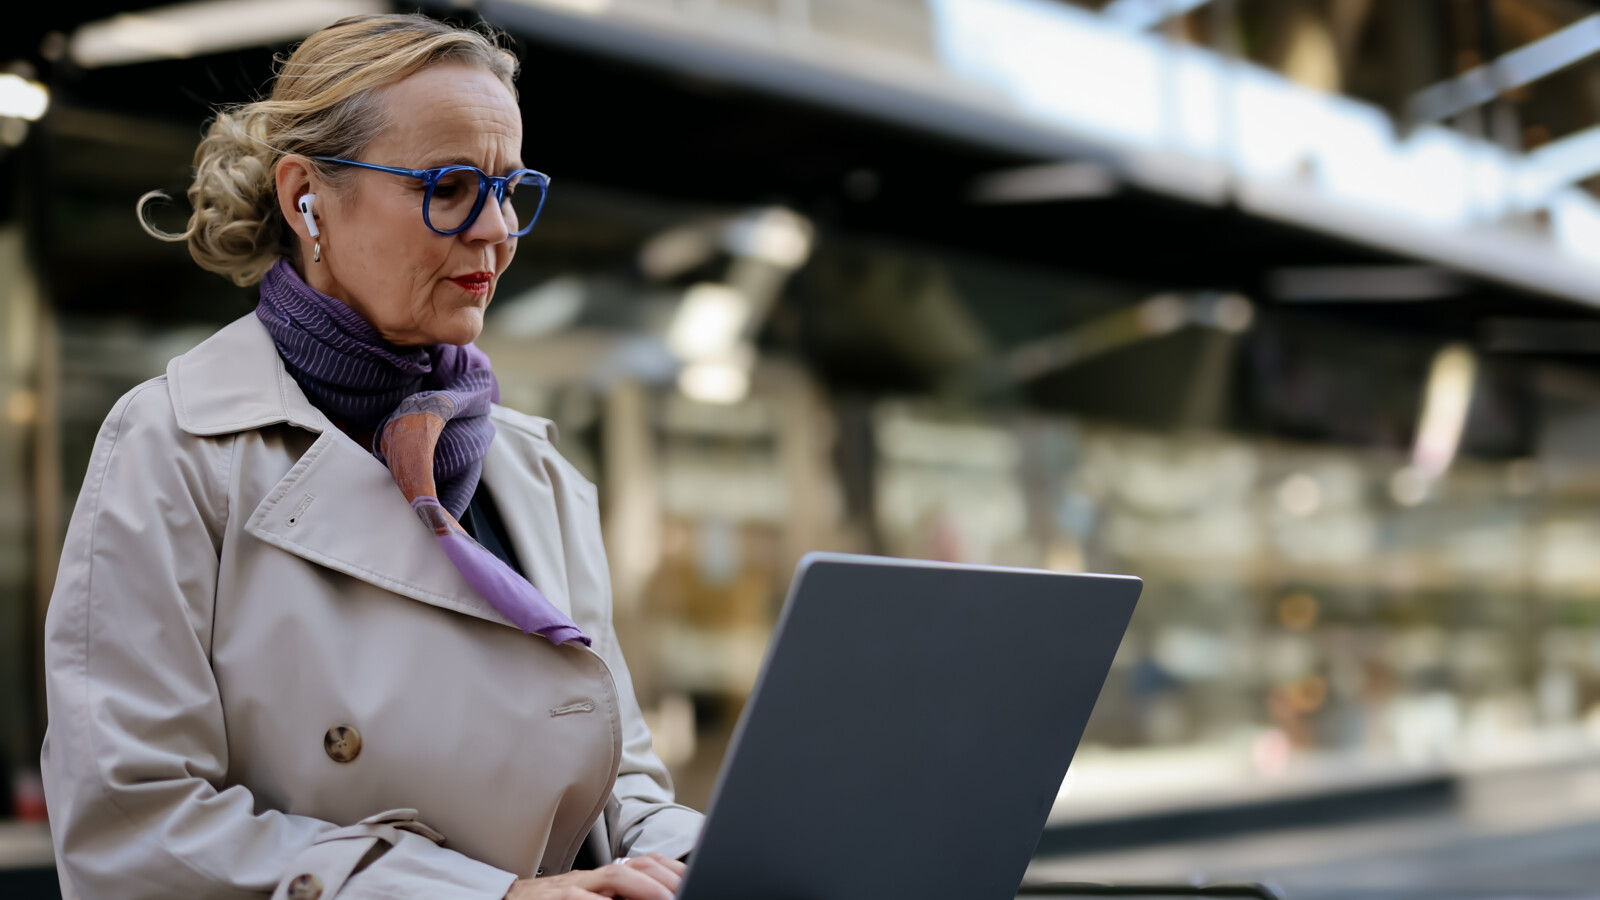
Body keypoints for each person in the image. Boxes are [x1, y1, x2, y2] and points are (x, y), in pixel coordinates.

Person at [40, 14, 702, 900]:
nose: (495, 230)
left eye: (509, 188)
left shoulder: (534, 471)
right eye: (451, 185)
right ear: (306, 196)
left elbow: (618, 779)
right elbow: (133, 827)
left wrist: (696, 855)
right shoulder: (175, 447)